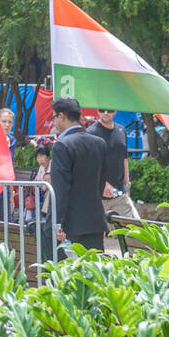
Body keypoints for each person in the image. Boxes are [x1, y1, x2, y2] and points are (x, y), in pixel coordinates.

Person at [48, 97, 109, 253]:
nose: (54, 122)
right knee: (94, 273)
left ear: (61, 116)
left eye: (54, 117)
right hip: (94, 220)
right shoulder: (99, 143)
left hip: (69, 225)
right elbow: (100, 183)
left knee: (65, 274)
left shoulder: (61, 145)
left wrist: (56, 222)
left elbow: (60, 189)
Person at [88, 108, 140, 219]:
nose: (106, 113)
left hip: (119, 193)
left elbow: (124, 158)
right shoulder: (91, 133)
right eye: (102, 110)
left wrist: (127, 183)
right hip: (98, 195)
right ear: (97, 111)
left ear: (115, 111)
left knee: (132, 229)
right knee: (97, 234)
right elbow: (89, 164)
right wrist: (103, 183)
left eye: (109, 110)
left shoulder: (121, 130)